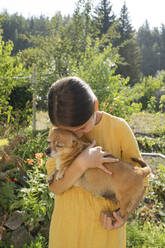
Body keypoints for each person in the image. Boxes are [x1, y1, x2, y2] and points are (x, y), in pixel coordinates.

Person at [46, 76, 147, 248]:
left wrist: (122, 217)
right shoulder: (57, 133)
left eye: (82, 127)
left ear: (95, 107)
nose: (77, 135)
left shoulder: (119, 129)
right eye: (70, 132)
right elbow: (55, 187)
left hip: (104, 235)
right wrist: (82, 163)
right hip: (66, 232)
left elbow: (141, 182)